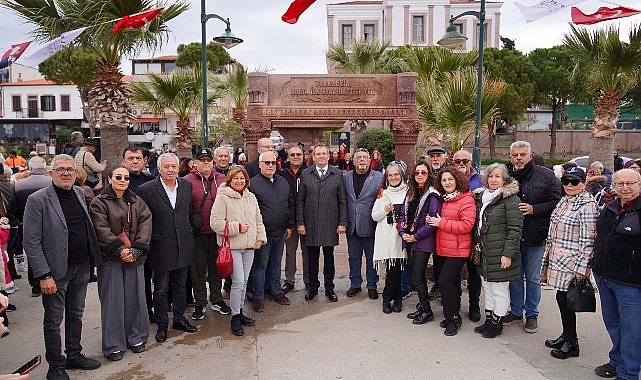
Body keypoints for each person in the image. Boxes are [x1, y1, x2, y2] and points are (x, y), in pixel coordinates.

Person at [22, 154, 101, 380]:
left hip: (81, 266)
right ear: (51, 173)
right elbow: (31, 241)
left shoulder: (78, 192)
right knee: (53, 320)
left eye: (70, 169)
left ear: (76, 173)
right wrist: (43, 274)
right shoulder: (38, 200)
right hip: (55, 272)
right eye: (61, 169)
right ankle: (55, 366)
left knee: (76, 313)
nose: (66, 173)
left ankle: (74, 354)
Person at [90, 166, 152, 361]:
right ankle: (113, 344)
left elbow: (146, 223)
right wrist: (119, 250)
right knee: (113, 301)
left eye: (126, 177)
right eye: (118, 177)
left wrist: (136, 249)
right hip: (110, 259)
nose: (123, 180)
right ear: (110, 179)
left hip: (135, 257)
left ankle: (136, 337)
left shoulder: (137, 201)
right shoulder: (98, 202)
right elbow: (100, 228)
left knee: (136, 299)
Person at [136, 153, 198, 344]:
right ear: (159, 169)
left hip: (184, 244)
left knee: (180, 285)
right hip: (160, 245)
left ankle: (179, 319)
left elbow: (189, 211)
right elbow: (141, 218)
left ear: (179, 168)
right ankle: (162, 323)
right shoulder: (145, 189)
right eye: (167, 167)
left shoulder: (187, 186)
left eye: (174, 166)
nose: (171, 170)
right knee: (161, 288)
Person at [539, 166, 598, 359]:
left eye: (575, 182)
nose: (570, 185)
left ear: (583, 183)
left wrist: (582, 268)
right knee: (561, 298)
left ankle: (572, 343)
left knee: (567, 302)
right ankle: (566, 335)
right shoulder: (565, 200)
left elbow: (588, 240)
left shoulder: (587, 205)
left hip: (572, 262)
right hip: (558, 258)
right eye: (566, 182)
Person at [504, 141, 562, 333]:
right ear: (510, 156)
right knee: (515, 276)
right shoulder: (504, 174)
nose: (519, 158)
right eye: (515, 155)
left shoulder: (546, 175)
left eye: (522, 154)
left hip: (535, 235)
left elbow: (557, 201)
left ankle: (532, 314)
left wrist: (534, 209)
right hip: (511, 236)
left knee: (533, 277)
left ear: (530, 156)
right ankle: (515, 310)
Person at [591, 168, 641, 380]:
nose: (625, 187)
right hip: (604, 277)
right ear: (614, 186)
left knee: (632, 330)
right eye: (620, 184)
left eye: (630, 183)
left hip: (631, 283)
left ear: (639, 184)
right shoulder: (610, 208)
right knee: (613, 323)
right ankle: (617, 360)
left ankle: (629, 372)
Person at [210, 167, 266, 336]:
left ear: (246, 180)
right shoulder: (223, 197)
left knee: (245, 281)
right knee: (238, 282)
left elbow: (258, 219)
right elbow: (215, 223)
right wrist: (237, 227)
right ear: (229, 180)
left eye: (242, 178)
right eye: (236, 179)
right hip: (233, 247)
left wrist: (260, 237)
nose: (239, 181)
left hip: (249, 247)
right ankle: (235, 317)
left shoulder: (251, 197)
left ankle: (240, 312)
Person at [472, 163, 523, 338]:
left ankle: (497, 322)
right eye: (491, 176)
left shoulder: (511, 200)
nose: (494, 180)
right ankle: (489, 319)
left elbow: (515, 229)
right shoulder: (481, 197)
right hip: (485, 252)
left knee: (500, 289)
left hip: (500, 252)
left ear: (505, 179)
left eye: (498, 176)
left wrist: (508, 254)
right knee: (488, 287)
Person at [427, 167, 476, 336]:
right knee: (452, 284)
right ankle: (450, 315)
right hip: (443, 248)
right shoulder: (444, 199)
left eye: (450, 179)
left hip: (458, 249)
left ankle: (454, 317)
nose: (447, 183)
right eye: (444, 180)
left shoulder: (466, 199)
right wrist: (431, 220)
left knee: (444, 282)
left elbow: (466, 226)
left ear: (457, 180)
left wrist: (440, 223)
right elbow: (439, 221)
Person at [297, 145, 348, 302]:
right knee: (312, 258)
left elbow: (342, 200)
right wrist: (300, 222)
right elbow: (300, 201)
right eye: (317, 154)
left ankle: (329, 288)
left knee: (329, 257)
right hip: (310, 223)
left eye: (323, 154)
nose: (320, 156)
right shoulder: (305, 174)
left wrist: (342, 222)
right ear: (313, 156)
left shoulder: (338, 174)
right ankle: (313, 287)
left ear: (328, 156)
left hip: (330, 223)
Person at [184, 149, 230, 320]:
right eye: (202, 160)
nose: (205, 163)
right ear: (196, 162)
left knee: (216, 269)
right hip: (197, 233)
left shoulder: (222, 180)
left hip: (217, 234)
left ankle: (217, 299)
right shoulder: (187, 181)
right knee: (197, 270)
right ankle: (200, 302)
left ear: (213, 162)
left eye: (208, 160)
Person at [249, 151, 294, 311]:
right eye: (266, 163)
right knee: (260, 265)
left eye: (273, 163)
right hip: (263, 233)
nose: (270, 165)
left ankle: (276, 291)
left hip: (280, 231)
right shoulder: (253, 183)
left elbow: (289, 204)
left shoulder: (282, 182)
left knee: (276, 263)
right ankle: (258, 296)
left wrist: (289, 225)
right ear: (260, 164)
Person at [398, 160, 442, 323]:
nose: (420, 175)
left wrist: (415, 236)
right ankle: (423, 307)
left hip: (422, 241)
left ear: (429, 174)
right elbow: (402, 215)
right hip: (409, 239)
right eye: (417, 172)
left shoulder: (432, 195)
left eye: (423, 172)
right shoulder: (411, 192)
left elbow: (432, 223)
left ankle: (427, 310)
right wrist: (402, 232)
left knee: (417, 277)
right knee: (416, 275)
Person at [8, 156, 52, 297]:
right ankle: (49, 278)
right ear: (45, 168)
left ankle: (35, 285)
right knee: (50, 251)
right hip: (50, 224)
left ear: (30, 168)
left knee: (32, 252)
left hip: (26, 224)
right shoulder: (52, 183)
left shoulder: (19, 185)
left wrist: (20, 220)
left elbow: (12, 207)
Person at [344, 148, 384, 299]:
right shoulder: (346, 177)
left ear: (369, 160)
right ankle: (355, 284)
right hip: (352, 224)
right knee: (353, 257)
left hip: (370, 224)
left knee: (371, 257)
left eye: (364, 157)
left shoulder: (379, 177)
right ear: (354, 161)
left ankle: (372, 285)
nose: (361, 159)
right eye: (358, 157)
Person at [372, 161, 408, 314]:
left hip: (401, 238)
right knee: (391, 270)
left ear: (402, 176)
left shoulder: (408, 192)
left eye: (396, 174)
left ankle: (391, 297)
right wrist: (385, 211)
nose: (393, 177)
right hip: (386, 238)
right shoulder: (383, 193)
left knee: (397, 270)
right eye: (390, 175)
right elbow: (374, 216)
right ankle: (392, 298)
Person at [453, 149, 483, 322]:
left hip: (475, 235)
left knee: (474, 272)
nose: (462, 164)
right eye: (458, 161)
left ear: (471, 162)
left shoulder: (480, 181)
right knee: (454, 271)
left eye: (465, 160)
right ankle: (454, 303)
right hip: (454, 234)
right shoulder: (448, 179)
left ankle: (474, 304)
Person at [278, 146, 308, 293]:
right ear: (288, 157)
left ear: (303, 156)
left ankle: (308, 281)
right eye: (292, 154)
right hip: (289, 220)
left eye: (298, 154)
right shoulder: (282, 174)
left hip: (307, 220)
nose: (295, 157)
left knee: (307, 252)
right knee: (290, 252)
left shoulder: (309, 173)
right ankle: (289, 280)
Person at [425, 146, 448, 300]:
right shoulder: (426, 173)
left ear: (444, 157)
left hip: (445, 220)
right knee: (434, 255)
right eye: (432, 156)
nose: (435, 159)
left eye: (438, 156)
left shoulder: (449, 174)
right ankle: (437, 285)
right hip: (427, 221)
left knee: (444, 257)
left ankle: (443, 287)